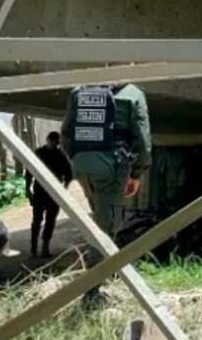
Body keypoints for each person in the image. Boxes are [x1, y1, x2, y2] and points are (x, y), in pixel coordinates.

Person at [61, 83, 152, 303]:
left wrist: (77, 160)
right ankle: (92, 293)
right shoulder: (133, 94)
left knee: (99, 218)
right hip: (112, 168)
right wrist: (137, 173)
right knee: (108, 228)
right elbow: (142, 137)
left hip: (82, 165)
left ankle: (103, 273)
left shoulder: (78, 91)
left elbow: (66, 132)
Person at [24, 131, 73, 258]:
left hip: (54, 192)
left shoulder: (60, 155)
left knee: (50, 220)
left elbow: (69, 175)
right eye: (52, 141)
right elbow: (29, 172)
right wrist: (27, 189)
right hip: (40, 191)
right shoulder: (39, 153)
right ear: (48, 140)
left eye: (55, 142)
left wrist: (64, 190)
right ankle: (34, 249)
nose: (53, 143)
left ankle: (45, 247)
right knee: (37, 220)